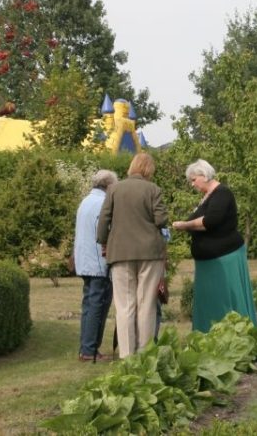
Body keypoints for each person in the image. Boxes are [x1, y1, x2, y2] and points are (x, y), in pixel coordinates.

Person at [172, 159, 257, 332]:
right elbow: (198, 221)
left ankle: (237, 337)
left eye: (193, 179)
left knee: (227, 299)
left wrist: (185, 225)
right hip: (208, 260)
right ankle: (209, 337)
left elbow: (210, 221)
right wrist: (187, 224)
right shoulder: (207, 197)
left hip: (224, 257)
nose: (192, 184)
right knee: (211, 301)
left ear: (204, 176)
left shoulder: (222, 193)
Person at [96, 152, 168, 358]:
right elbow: (161, 220)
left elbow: (103, 220)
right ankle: (145, 353)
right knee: (146, 303)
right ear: (149, 169)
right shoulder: (153, 189)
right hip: (149, 253)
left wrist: (103, 242)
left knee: (125, 304)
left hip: (120, 252)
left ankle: (127, 355)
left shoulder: (113, 189)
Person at [74, 169, 118, 362]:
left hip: (84, 260)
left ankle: (86, 348)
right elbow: (105, 231)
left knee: (88, 305)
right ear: (109, 186)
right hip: (98, 262)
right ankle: (90, 350)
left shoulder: (85, 201)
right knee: (97, 306)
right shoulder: (103, 203)